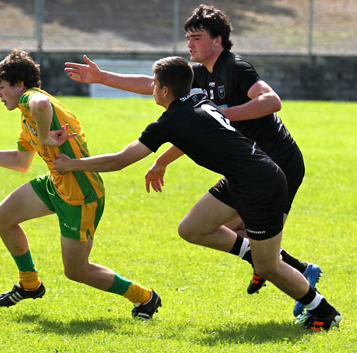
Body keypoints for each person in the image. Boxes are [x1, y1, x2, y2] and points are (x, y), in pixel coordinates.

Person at [63, 4, 321, 318]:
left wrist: (223, 113)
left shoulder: (235, 67)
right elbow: (155, 87)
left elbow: (271, 100)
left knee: (246, 238)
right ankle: (285, 269)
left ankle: (302, 278)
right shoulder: (197, 75)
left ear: (218, 40)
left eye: (196, 38)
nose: (189, 45)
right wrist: (103, 77)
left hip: (278, 161)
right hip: (247, 166)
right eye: (188, 38)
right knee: (218, 230)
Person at [0, 49, 161, 319]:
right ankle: (29, 284)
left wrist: (44, 136)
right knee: (1, 218)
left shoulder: (32, 98)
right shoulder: (26, 116)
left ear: (19, 85)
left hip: (80, 192)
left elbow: (41, 106)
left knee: (77, 271)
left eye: (1, 88)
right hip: (56, 183)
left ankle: (145, 297)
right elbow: (20, 161)